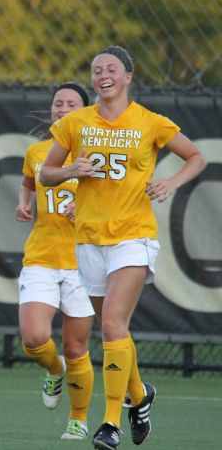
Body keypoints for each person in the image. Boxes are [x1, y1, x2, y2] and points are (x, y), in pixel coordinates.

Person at [39, 46, 207, 450]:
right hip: (88, 239)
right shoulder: (76, 122)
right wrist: (68, 171)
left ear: (128, 76)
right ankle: (140, 394)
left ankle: (110, 422)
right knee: (114, 330)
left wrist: (171, 183)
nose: (103, 75)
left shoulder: (150, 122)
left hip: (133, 236)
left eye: (111, 68)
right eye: (96, 70)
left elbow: (196, 157)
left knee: (113, 324)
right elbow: (45, 174)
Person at [14, 83, 95, 441]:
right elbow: (29, 182)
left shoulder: (96, 153)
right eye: (58, 103)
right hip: (42, 256)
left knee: (77, 348)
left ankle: (78, 418)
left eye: (71, 104)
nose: (63, 109)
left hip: (84, 261)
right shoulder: (38, 151)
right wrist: (24, 202)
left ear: (85, 111)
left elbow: (122, 197)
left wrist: (89, 208)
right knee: (34, 338)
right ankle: (53, 368)